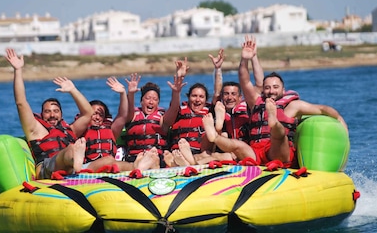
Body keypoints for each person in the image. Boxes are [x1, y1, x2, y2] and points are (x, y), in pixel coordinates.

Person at [203, 36, 348, 167]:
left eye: (275, 87)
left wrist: (338, 118)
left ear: (283, 90)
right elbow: (244, 80)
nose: (271, 91)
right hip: (256, 151)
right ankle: (214, 136)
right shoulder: (256, 102)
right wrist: (244, 59)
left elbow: (323, 109)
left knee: (279, 136)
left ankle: (274, 122)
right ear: (262, 90)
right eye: (267, 88)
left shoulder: (293, 106)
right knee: (238, 146)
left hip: (279, 152)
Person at [5, 48, 93, 179]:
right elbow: (21, 102)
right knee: (70, 149)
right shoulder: (35, 130)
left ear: (61, 115)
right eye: (47, 112)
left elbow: (88, 114)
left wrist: (73, 90)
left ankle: (133, 167)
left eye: (56, 111)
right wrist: (18, 70)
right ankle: (76, 162)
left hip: (71, 162)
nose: (52, 115)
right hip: (46, 169)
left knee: (106, 160)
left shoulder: (70, 130)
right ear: (41, 115)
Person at [123, 59, 187, 167]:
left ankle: (144, 169)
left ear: (158, 102)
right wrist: (130, 94)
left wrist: (176, 92)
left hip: (157, 157)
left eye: (155, 99)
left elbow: (174, 109)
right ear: (141, 101)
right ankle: (141, 168)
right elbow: (127, 110)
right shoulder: (132, 116)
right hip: (134, 158)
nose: (151, 101)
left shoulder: (162, 118)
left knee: (154, 159)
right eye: (148, 98)